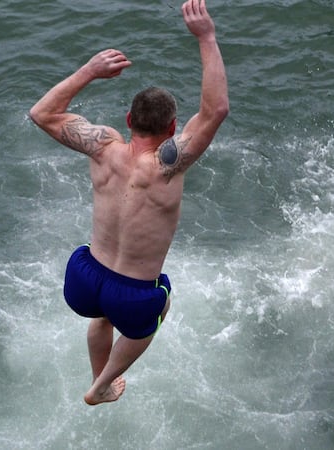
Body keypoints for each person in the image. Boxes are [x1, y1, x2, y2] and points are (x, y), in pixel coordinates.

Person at [29, 0, 228, 405]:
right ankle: (103, 382)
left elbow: (43, 113)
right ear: (173, 128)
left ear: (127, 120)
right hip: (134, 296)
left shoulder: (102, 146)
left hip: (83, 278)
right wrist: (206, 37)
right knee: (162, 302)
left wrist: (89, 71)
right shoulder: (167, 165)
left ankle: (97, 379)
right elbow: (215, 110)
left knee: (102, 314)